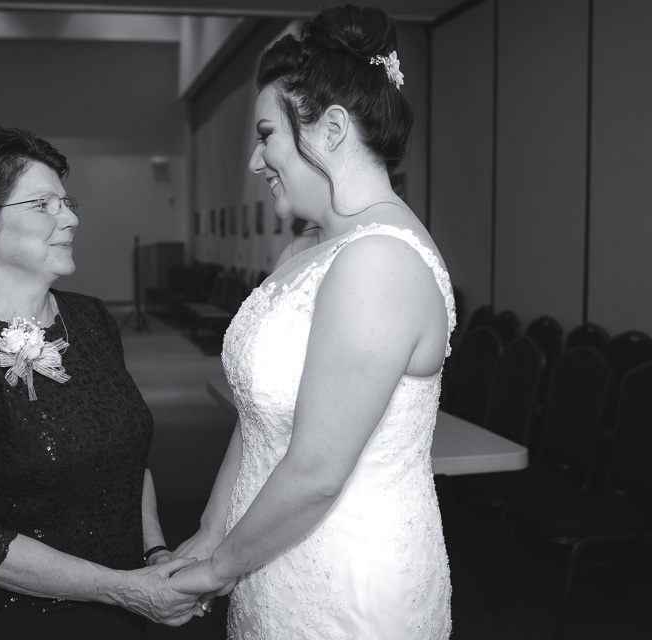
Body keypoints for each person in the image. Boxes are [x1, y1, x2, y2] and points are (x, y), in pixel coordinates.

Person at [169, 5, 455, 639]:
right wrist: (213, 532)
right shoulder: (305, 249)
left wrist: (218, 568)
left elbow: (320, 470)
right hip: (268, 551)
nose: (254, 159)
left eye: (267, 133)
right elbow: (258, 416)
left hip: (347, 580)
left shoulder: (380, 261)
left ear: (330, 129)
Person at [0, 127, 204, 638]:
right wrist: (122, 587)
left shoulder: (89, 320)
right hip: (22, 617)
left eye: (67, 201)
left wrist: (154, 554)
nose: (71, 218)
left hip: (129, 598)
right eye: (43, 204)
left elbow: (129, 461)